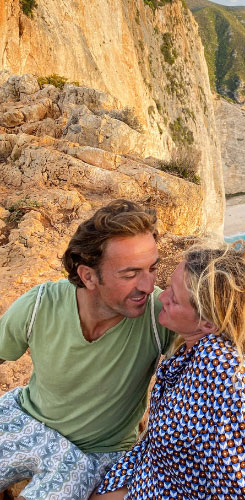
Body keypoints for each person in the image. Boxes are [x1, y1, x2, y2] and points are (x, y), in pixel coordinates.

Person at [0, 199, 175, 500]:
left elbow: (215, 372)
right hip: (27, 419)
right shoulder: (41, 304)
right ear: (89, 276)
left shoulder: (159, 315)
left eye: (152, 268)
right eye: (130, 274)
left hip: (98, 454)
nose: (147, 285)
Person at [91, 240, 245, 499]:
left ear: (207, 322)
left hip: (171, 488)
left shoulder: (221, 372)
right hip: (153, 470)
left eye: (173, 298)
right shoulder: (198, 347)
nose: (161, 297)